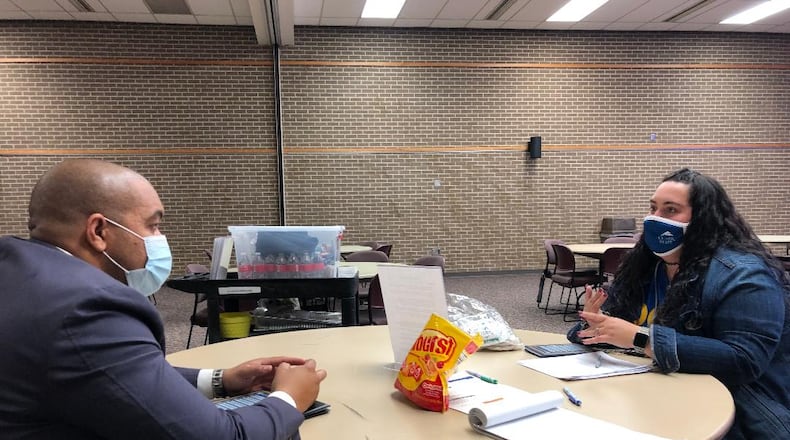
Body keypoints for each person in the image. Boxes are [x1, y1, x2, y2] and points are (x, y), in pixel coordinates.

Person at [0, 159, 327, 439]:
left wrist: (221, 380)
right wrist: (289, 397)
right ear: (98, 231)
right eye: (153, 226)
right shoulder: (88, 308)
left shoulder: (17, 269)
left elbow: (114, 372)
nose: (159, 238)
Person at [567, 168, 790, 439]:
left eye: (671, 210)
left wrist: (641, 338)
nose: (655, 218)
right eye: (653, 208)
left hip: (731, 413)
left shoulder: (743, 275)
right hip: (655, 398)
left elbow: (744, 360)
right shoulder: (646, 266)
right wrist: (594, 324)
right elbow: (615, 329)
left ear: (703, 218)